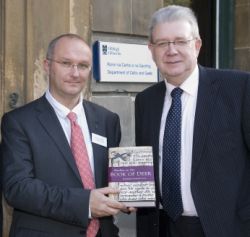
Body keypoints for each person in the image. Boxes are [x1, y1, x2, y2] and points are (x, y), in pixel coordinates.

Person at [1, 33, 132, 237]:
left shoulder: (107, 120)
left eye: (83, 65)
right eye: (66, 63)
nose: (75, 73)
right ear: (47, 65)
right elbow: (18, 188)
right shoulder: (19, 122)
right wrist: (84, 203)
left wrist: (130, 194)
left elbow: (111, 179)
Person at [135, 5, 250, 237]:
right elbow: (145, 163)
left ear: (196, 45)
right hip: (162, 226)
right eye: (162, 43)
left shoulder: (238, 88)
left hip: (225, 227)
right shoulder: (145, 100)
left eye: (180, 41)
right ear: (151, 50)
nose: (171, 50)